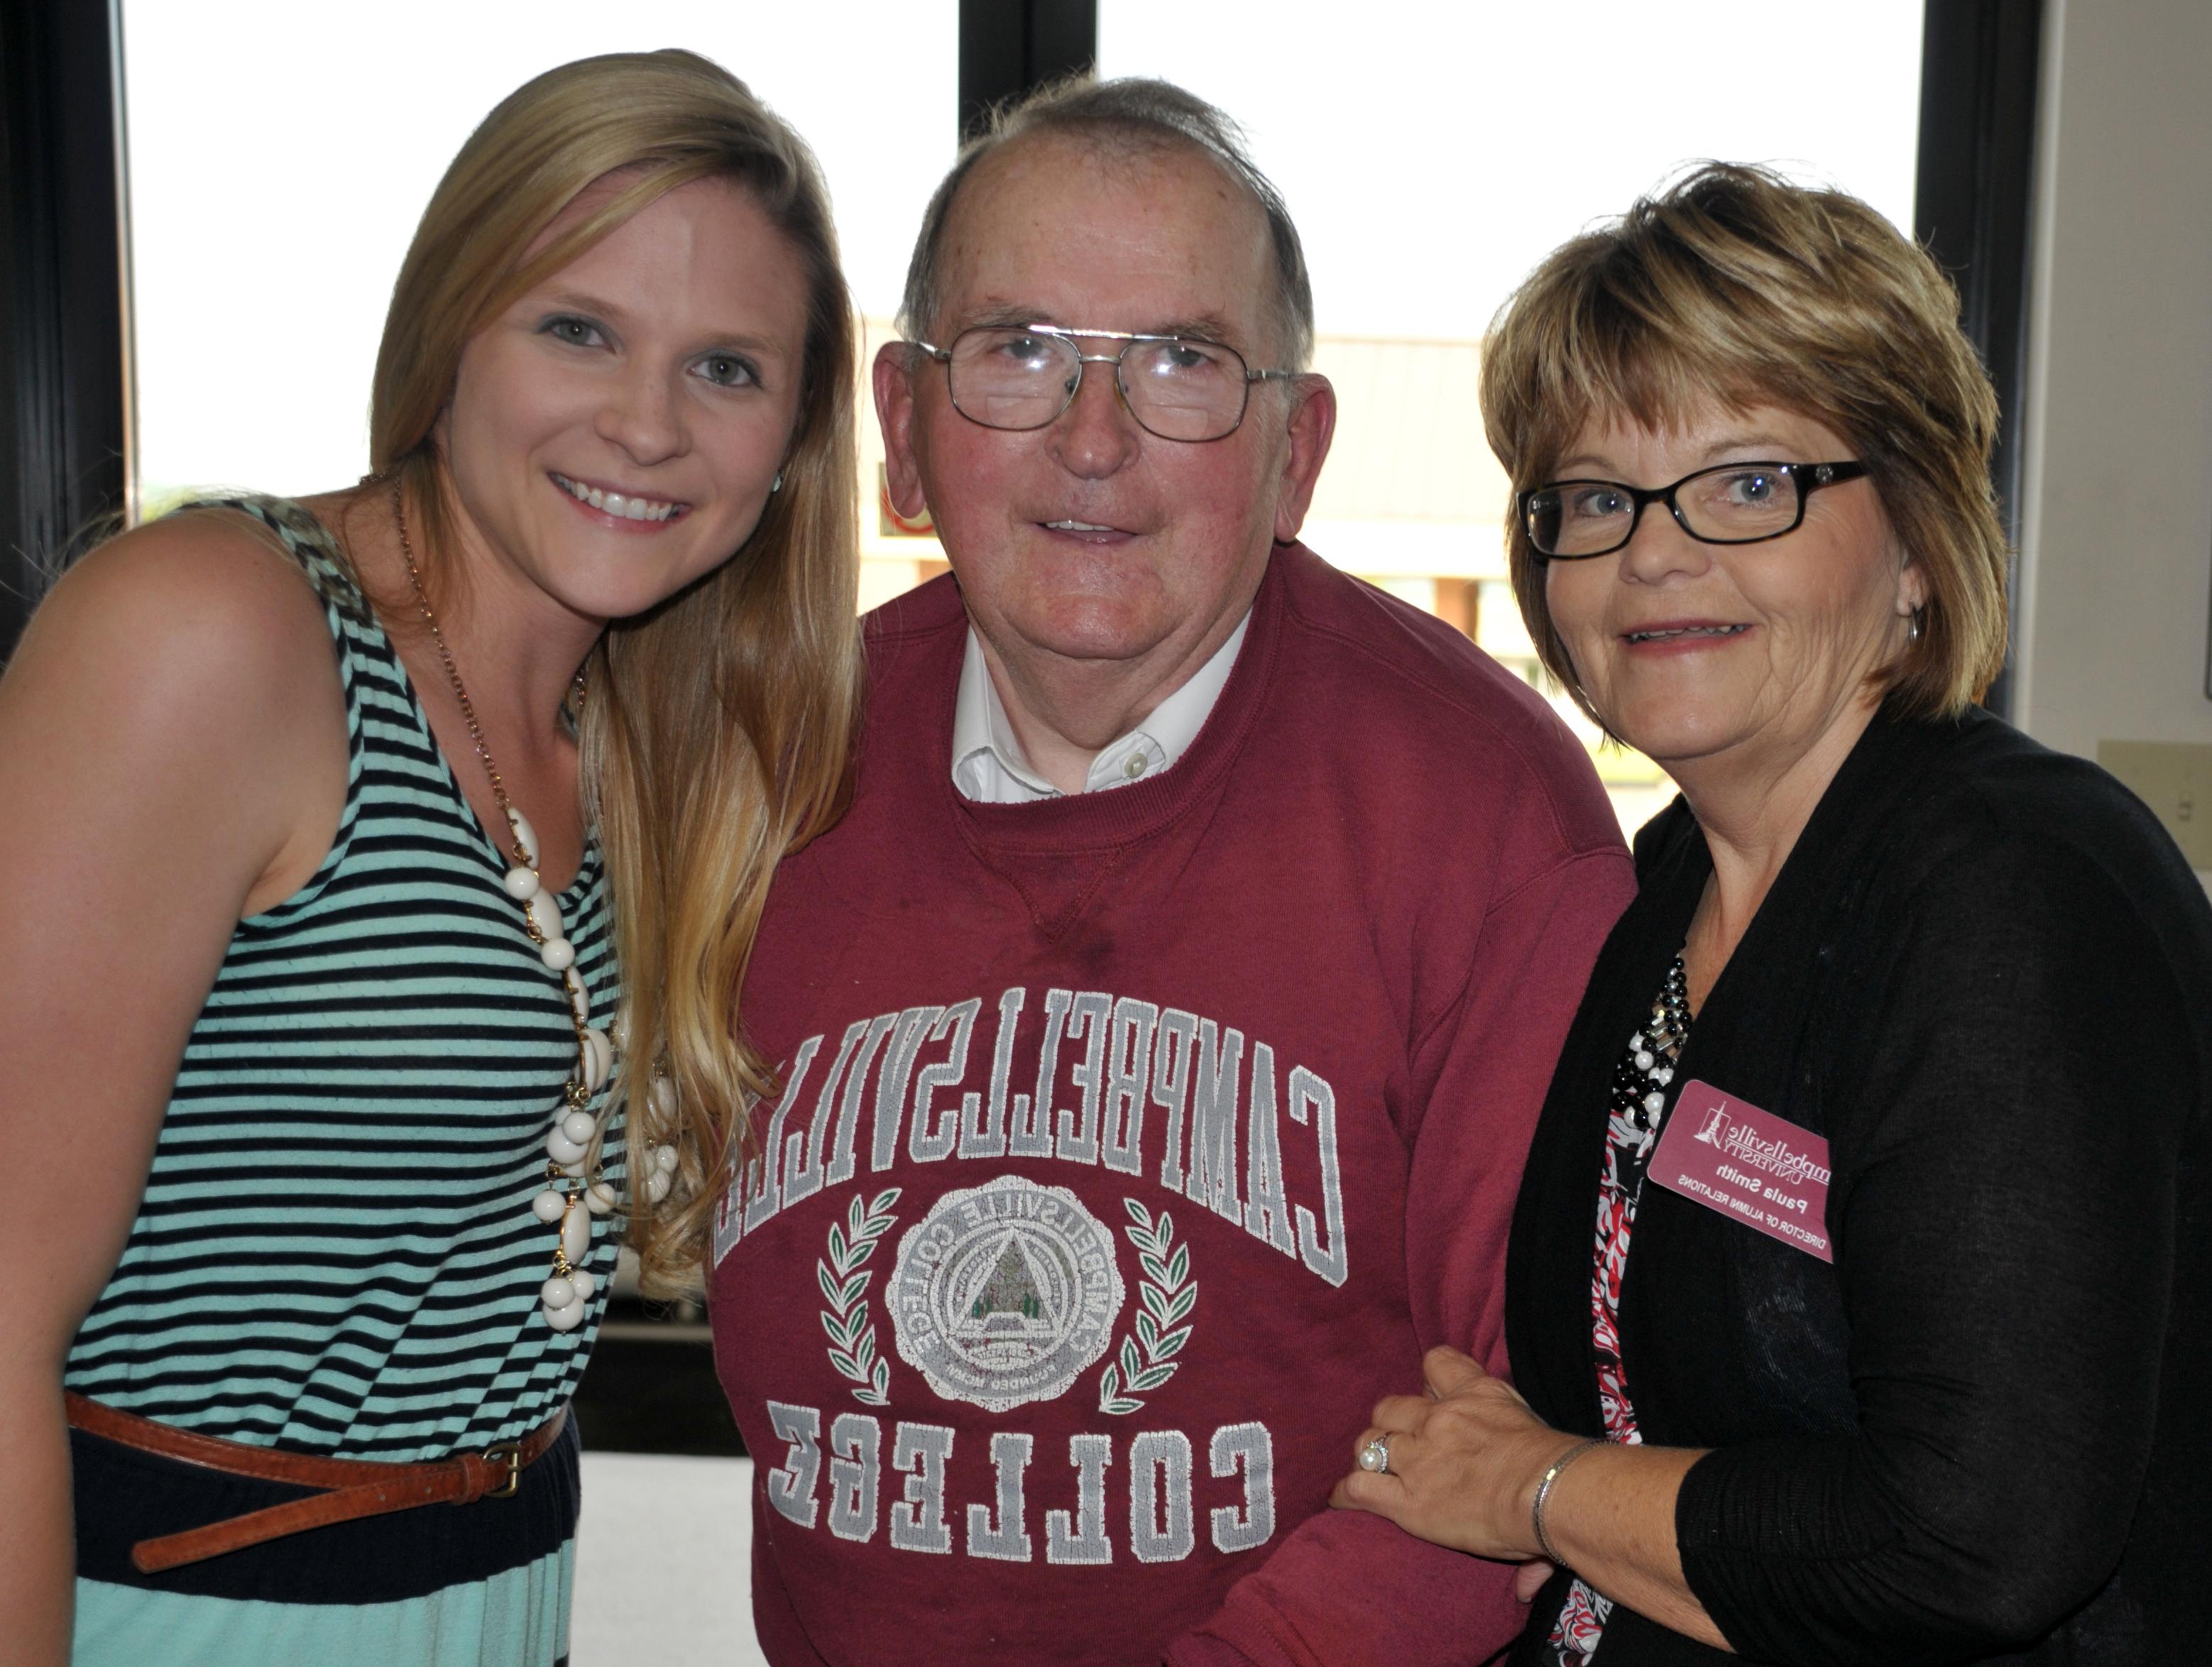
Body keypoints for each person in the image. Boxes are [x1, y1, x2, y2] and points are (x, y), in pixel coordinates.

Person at [701, 76, 1633, 1666]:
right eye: (1018, 352)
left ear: (1296, 452)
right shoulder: (753, 765)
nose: (1091, 438)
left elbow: (1526, 1409)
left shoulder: (1485, 811)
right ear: (902, 428)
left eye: (1183, 363)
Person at [0, 50, 860, 1666]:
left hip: (499, 1598)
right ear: (449, 326)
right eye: (577, 327)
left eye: (728, 368)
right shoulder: (216, 632)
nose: (648, 424)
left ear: (796, 434)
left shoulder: (650, 741)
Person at [1331, 163, 2212, 1663]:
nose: (1655, 550)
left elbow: (1970, 1536)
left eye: (1752, 480)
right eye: (1596, 498)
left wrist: (1541, 1491)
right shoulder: (1665, 882)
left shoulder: (2012, 891)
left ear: (1919, 544)